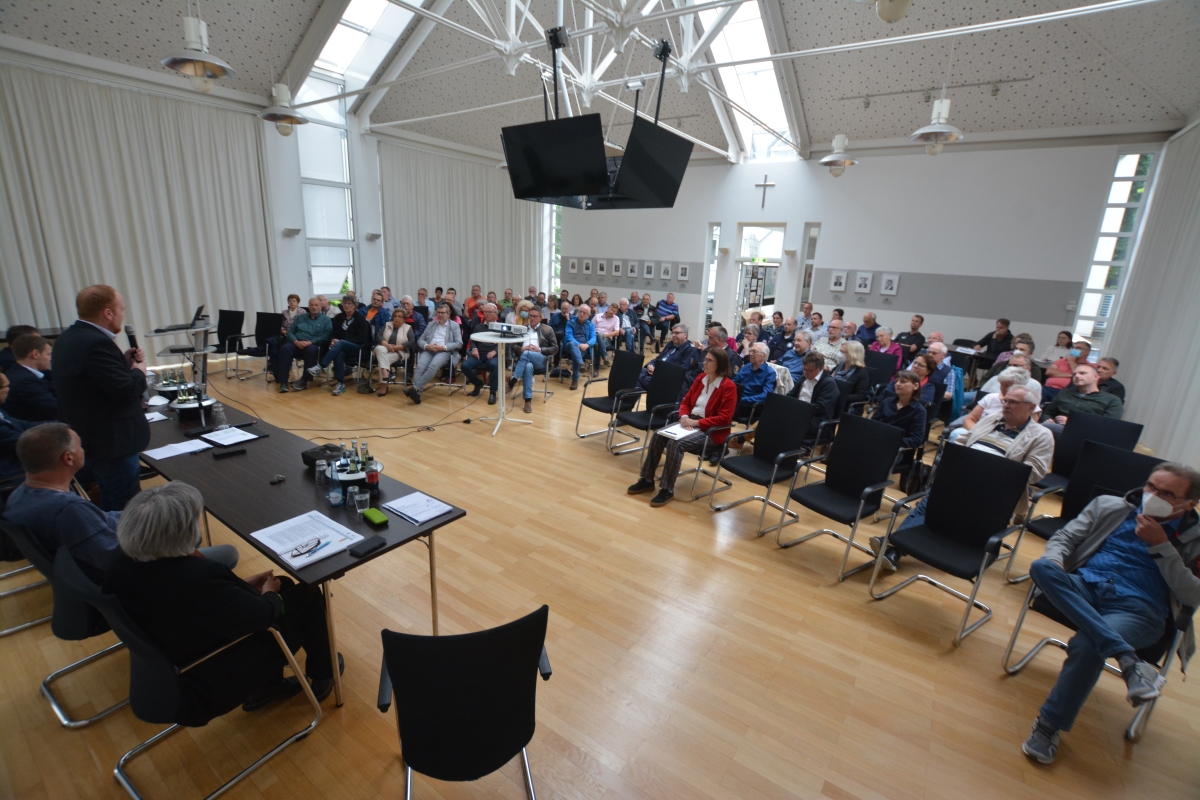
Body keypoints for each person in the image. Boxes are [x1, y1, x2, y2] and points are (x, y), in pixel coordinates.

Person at [104, 481, 340, 721]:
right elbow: (264, 615)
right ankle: (323, 673)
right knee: (306, 595)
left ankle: (270, 686)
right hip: (207, 674)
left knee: (286, 586)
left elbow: (200, 605)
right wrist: (269, 593)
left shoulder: (123, 566)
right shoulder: (196, 578)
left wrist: (242, 587)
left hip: (177, 649)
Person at [1019, 463, 1200, 765]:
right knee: (1041, 567)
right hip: (1086, 586)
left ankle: (1049, 725)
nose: (1153, 495)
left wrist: (1163, 546)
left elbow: (1193, 595)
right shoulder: (1110, 506)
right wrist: (1055, 560)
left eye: (1167, 493)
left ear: (1189, 504)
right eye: (1151, 486)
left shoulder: (1195, 538)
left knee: (1089, 644)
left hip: (1139, 609)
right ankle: (1128, 661)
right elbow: (1064, 539)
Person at [3, 424, 238, 583]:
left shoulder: (20, 496)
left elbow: (102, 525)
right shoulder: (68, 511)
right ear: (68, 458)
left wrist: (141, 516)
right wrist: (169, 528)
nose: (84, 450)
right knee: (223, 551)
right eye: (80, 446)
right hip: (125, 578)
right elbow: (119, 557)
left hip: (83, 571)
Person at [872, 385, 1054, 570]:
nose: (1006, 405)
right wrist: (956, 459)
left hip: (995, 490)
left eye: (1012, 402)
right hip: (961, 476)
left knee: (940, 507)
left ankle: (893, 545)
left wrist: (989, 467)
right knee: (929, 504)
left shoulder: (1041, 435)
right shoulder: (992, 419)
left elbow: (1035, 472)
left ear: (1031, 407)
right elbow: (964, 440)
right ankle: (895, 547)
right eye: (1005, 400)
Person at [50, 285, 149, 511]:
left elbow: (91, 381)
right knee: (126, 507)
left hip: (90, 437)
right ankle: (125, 546)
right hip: (111, 442)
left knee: (110, 497)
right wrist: (139, 370)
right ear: (108, 313)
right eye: (121, 309)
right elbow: (125, 391)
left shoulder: (68, 337)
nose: (123, 315)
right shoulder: (97, 343)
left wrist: (123, 362)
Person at [627, 347, 737, 508]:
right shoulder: (701, 378)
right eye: (704, 359)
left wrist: (697, 423)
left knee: (676, 444)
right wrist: (684, 417)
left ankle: (667, 489)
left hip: (711, 431)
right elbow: (685, 402)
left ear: (719, 364)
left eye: (708, 360)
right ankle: (647, 480)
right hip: (690, 421)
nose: (704, 363)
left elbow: (724, 418)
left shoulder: (728, 387)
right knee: (658, 435)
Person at [304, 296, 372, 395]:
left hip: (358, 348)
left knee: (341, 343)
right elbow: (333, 333)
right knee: (339, 352)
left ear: (354, 306)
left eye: (349, 303)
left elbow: (362, 339)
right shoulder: (339, 318)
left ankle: (321, 366)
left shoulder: (360, 319)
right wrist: (332, 340)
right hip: (341, 347)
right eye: (345, 303)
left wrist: (340, 341)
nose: (346, 305)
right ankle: (340, 383)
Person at [952, 367, 1040, 441]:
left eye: (1008, 386)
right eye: (1002, 385)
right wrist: (979, 435)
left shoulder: (1028, 405)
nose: (1003, 389)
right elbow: (969, 419)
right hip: (979, 433)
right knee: (957, 433)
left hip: (1008, 439)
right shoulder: (990, 398)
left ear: (1020, 387)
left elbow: (1030, 431)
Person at [404, 303, 463, 404]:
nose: (440, 315)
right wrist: (427, 346)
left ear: (448, 315)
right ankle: (417, 393)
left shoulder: (454, 326)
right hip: (429, 349)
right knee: (420, 366)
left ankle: (416, 388)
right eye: (438, 313)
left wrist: (443, 347)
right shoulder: (431, 324)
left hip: (444, 351)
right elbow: (420, 340)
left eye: (442, 313)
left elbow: (459, 343)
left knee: (433, 365)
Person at [1042, 362, 1124, 433]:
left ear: (1096, 377)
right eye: (1074, 374)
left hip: (1086, 435)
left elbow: (1108, 426)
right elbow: (1048, 412)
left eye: (1082, 373)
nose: (1076, 376)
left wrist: (1073, 423)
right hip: (1054, 429)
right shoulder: (1065, 393)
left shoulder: (1112, 400)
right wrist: (1047, 419)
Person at [506, 306, 557, 414]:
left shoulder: (547, 329)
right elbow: (513, 345)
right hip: (525, 360)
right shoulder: (522, 328)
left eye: (535, 316)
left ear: (540, 317)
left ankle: (513, 381)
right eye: (531, 316)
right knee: (528, 365)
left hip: (541, 359)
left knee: (527, 353)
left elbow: (555, 348)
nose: (532, 318)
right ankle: (528, 400)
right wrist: (521, 348)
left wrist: (539, 349)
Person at [276, 297, 332, 393]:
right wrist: (296, 341)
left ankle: (305, 380)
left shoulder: (326, 320)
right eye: (311, 305)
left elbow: (326, 336)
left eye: (316, 305)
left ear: (321, 306)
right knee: (285, 349)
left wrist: (310, 342)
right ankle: (284, 382)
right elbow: (290, 332)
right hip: (297, 343)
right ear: (308, 306)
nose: (314, 307)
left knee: (310, 350)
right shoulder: (300, 318)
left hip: (314, 344)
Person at [3, 335, 57, 421]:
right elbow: (55, 408)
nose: (50, 359)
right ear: (35, 354)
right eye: (48, 354)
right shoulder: (25, 380)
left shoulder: (18, 372)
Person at [0, 372, 42, 480]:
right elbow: (22, 441)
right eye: (7, 386)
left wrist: (60, 424)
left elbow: (23, 424)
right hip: (9, 473)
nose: (9, 389)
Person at [788, 351, 840, 437]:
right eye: (804, 369)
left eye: (809, 370)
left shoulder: (829, 384)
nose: (805, 372)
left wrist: (797, 410)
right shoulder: (804, 378)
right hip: (798, 413)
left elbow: (820, 408)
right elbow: (791, 395)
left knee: (788, 424)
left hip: (816, 419)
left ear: (820, 369)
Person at [637, 324, 699, 393]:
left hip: (667, 379)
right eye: (672, 333)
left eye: (677, 333)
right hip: (655, 372)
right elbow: (658, 358)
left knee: (637, 381)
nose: (673, 335)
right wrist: (650, 365)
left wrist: (658, 372)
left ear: (685, 335)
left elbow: (680, 371)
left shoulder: (690, 350)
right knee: (634, 372)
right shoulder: (670, 344)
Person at [462, 303, 501, 404]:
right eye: (486, 312)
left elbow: (505, 343)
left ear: (496, 314)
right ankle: (478, 383)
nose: (487, 314)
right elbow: (473, 341)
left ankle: (493, 392)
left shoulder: (501, 327)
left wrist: (495, 351)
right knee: (465, 366)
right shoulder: (478, 327)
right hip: (479, 354)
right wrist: (474, 348)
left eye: (490, 312)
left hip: (493, 354)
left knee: (494, 365)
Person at [372, 308, 412, 397]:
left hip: (398, 352)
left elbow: (411, 342)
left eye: (400, 317)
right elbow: (378, 336)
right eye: (395, 316)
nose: (397, 318)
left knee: (382, 360)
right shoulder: (387, 325)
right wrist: (387, 345)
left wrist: (398, 347)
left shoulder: (408, 328)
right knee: (380, 349)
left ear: (404, 319)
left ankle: (384, 385)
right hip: (384, 348)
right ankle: (385, 373)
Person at [731, 343, 775, 419]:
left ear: (764, 356)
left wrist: (743, 399)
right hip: (738, 399)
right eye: (751, 351)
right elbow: (734, 381)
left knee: (726, 409)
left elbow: (765, 395)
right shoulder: (747, 367)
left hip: (751, 404)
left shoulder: (770, 373)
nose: (750, 354)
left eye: (754, 352)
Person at [564, 306, 597, 390]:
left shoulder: (590, 324)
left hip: (584, 348)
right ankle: (581, 364)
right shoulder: (571, 322)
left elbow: (594, 337)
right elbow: (569, 336)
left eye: (584, 313)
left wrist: (587, 344)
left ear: (588, 315)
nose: (581, 314)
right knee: (572, 344)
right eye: (580, 311)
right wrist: (578, 344)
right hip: (570, 346)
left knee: (576, 355)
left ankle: (575, 380)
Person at [832, 340, 870, 405]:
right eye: (840, 351)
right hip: (831, 398)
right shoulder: (839, 366)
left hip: (844, 404)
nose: (839, 354)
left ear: (853, 354)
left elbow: (861, 396)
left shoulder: (862, 373)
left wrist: (840, 397)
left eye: (842, 352)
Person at [594, 304, 622, 368]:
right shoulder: (598, 316)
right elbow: (590, 328)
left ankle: (596, 368)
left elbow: (617, 332)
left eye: (614, 311)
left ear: (616, 313)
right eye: (611, 309)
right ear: (608, 308)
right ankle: (605, 357)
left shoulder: (616, 319)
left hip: (606, 339)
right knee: (599, 335)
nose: (612, 312)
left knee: (597, 345)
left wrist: (606, 335)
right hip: (595, 337)